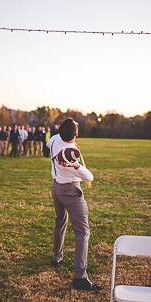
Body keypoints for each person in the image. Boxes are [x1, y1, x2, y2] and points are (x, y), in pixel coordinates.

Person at [47, 118, 100, 291]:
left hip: (56, 188)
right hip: (70, 191)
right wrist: (77, 165)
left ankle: (57, 257)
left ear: (60, 131)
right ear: (76, 134)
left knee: (60, 222)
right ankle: (80, 277)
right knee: (83, 232)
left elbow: (47, 144)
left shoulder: (54, 139)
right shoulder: (70, 155)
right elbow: (89, 177)